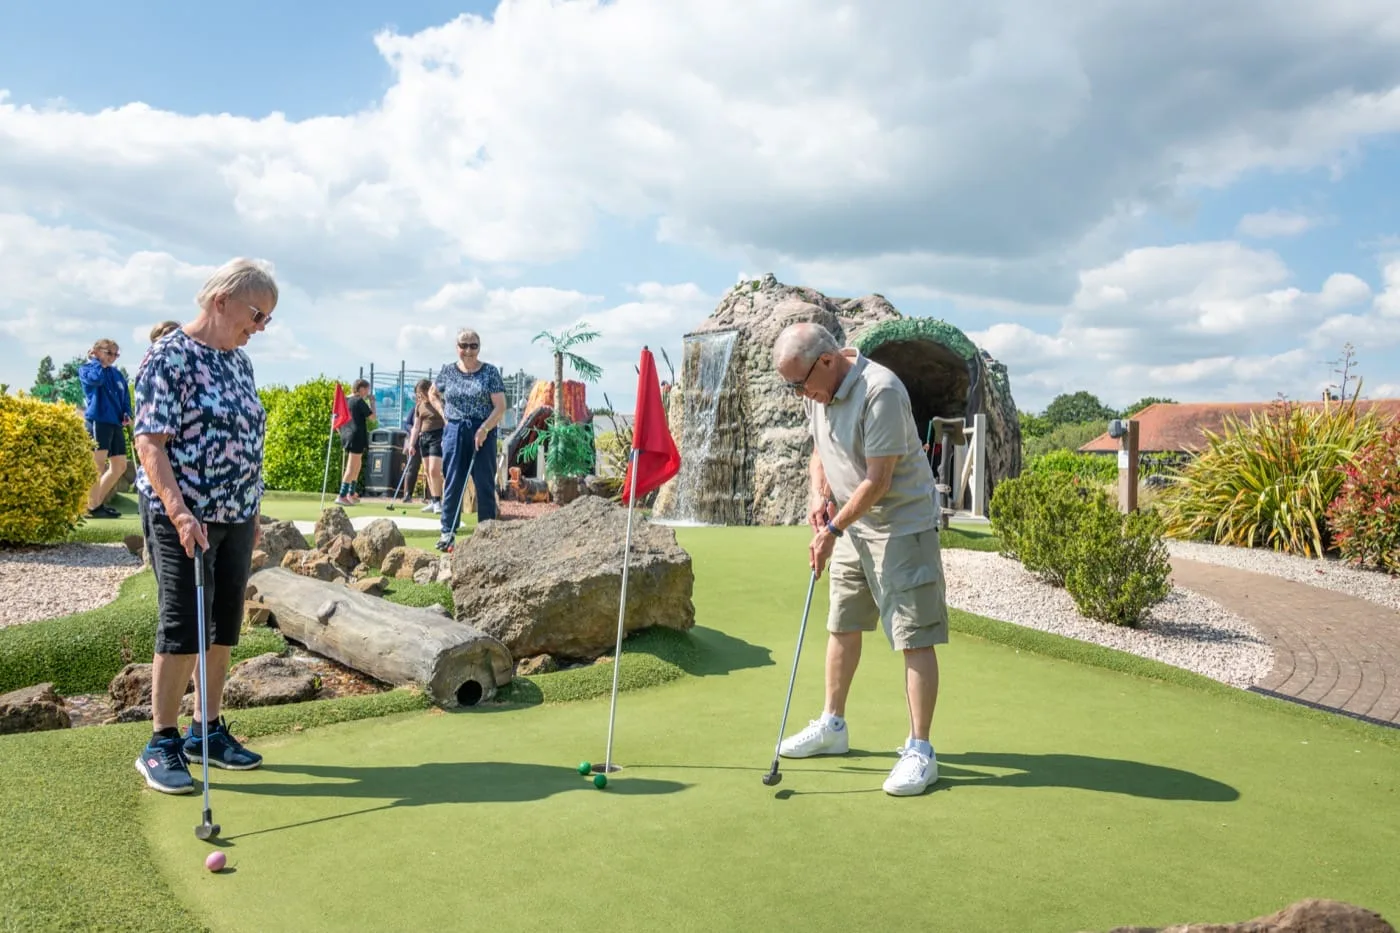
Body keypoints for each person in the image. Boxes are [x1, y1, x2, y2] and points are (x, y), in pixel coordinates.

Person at [771, 319, 948, 797]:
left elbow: (880, 480)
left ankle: (920, 750)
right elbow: (819, 450)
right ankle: (833, 726)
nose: (799, 394)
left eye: (799, 383)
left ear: (827, 362)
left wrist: (832, 529)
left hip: (901, 527)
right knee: (843, 624)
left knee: (913, 635)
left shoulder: (881, 391)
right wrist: (817, 494)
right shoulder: (819, 391)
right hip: (854, 526)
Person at [130, 257, 276, 794]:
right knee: (183, 623)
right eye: (256, 315)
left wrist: (252, 510)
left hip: (235, 512)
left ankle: (206, 731)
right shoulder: (168, 357)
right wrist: (176, 508)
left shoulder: (239, 363)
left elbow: (248, 440)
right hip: (183, 514)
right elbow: (150, 443)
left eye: (266, 320)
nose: (259, 328)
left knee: (223, 625)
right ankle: (160, 743)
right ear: (222, 301)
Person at [430, 328, 506, 551]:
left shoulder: (490, 372)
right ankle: (447, 533)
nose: (468, 350)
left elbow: (500, 407)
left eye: (473, 345)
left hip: (483, 429)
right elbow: (433, 393)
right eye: (464, 345)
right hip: (455, 429)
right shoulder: (448, 371)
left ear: (479, 348)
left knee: (484, 483)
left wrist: (484, 428)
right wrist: (444, 415)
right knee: (453, 481)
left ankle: (487, 533)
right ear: (457, 348)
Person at [78, 338, 133, 519]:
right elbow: (96, 380)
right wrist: (96, 362)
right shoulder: (87, 369)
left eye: (116, 354)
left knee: (120, 466)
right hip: (98, 420)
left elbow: (124, 396)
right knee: (98, 464)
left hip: (115, 422)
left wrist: (127, 413)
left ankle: (93, 504)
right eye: (109, 353)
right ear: (96, 351)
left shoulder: (117, 374)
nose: (113, 357)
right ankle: (92, 506)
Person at [405, 378, 445, 513]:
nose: (419, 397)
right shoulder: (419, 406)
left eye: (421, 393)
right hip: (424, 438)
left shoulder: (439, 403)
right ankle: (434, 501)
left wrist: (446, 437)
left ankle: (439, 501)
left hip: (437, 436)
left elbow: (446, 420)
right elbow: (416, 427)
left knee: (434, 470)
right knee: (427, 471)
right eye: (418, 395)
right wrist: (411, 444)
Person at [335, 380, 374, 506]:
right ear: (361, 389)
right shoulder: (358, 400)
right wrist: (372, 402)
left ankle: (351, 493)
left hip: (349, 435)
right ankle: (342, 495)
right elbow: (372, 417)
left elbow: (336, 421)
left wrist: (342, 433)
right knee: (352, 467)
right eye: (367, 389)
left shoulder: (345, 400)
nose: (367, 392)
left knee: (357, 465)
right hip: (356, 435)